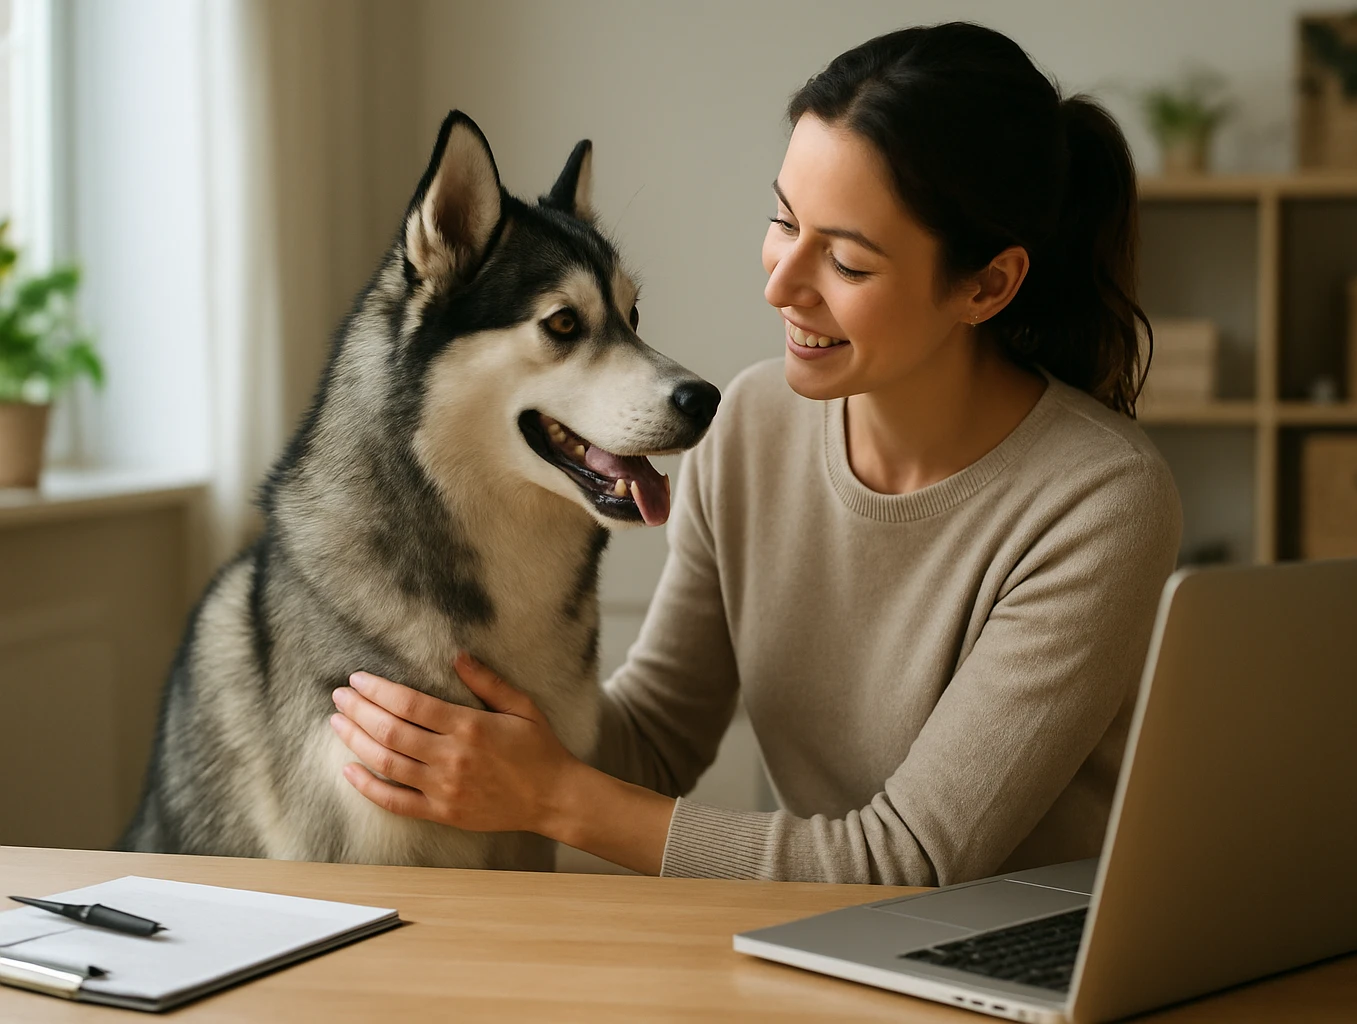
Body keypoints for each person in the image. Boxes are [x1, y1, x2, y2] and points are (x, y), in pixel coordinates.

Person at [328, 21, 1181, 886]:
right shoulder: (751, 427)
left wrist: (549, 797)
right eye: (784, 221)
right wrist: (473, 718)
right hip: (814, 948)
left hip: (1023, 973)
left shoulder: (1100, 500)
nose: (779, 283)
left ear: (987, 284)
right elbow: (656, 742)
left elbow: (908, 861)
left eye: (846, 262)